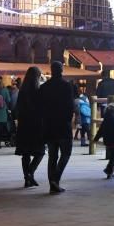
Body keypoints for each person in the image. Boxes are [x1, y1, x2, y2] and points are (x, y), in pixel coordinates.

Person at [38, 61, 76, 194]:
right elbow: (70, 106)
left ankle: (52, 184)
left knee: (52, 156)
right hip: (62, 125)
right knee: (66, 153)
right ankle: (55, 179)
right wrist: (68, 120)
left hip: (49, 125)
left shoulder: (44, 87)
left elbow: (40, 107)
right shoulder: (66, 86)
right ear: (61, 70)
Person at [15, 66, 46, 188]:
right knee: (40, 152)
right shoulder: (38, 90)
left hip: (24, 125)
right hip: (36, 125)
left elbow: (18, 108)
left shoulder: (22, 91)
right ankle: (30, 173)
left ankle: (27, 178)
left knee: (26, 153)